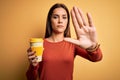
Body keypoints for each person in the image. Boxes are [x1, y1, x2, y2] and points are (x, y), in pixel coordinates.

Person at [26, 3, 102, 80]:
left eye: (64, 17)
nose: (60, 21)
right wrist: (33, 66)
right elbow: (30, 78)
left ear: (67, 21)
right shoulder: (39, 44)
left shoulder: (73, 43)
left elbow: (96, 58)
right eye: (55, 17)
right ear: (50, 20)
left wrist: (92, 47)